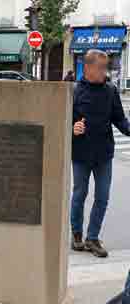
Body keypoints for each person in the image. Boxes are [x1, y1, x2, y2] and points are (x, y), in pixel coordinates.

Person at [71, 49, 130, 257]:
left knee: (102, 197)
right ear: (87, 68)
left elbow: (120, 119)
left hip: (104, 153)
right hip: (80, 153)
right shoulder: (74, 91)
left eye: (106, 67)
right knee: (79, 194)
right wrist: (72, 128)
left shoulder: (110, 91)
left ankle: (92, 238)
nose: (105, 72)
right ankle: (77, 234)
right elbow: (61, 121)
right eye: (101, 68)